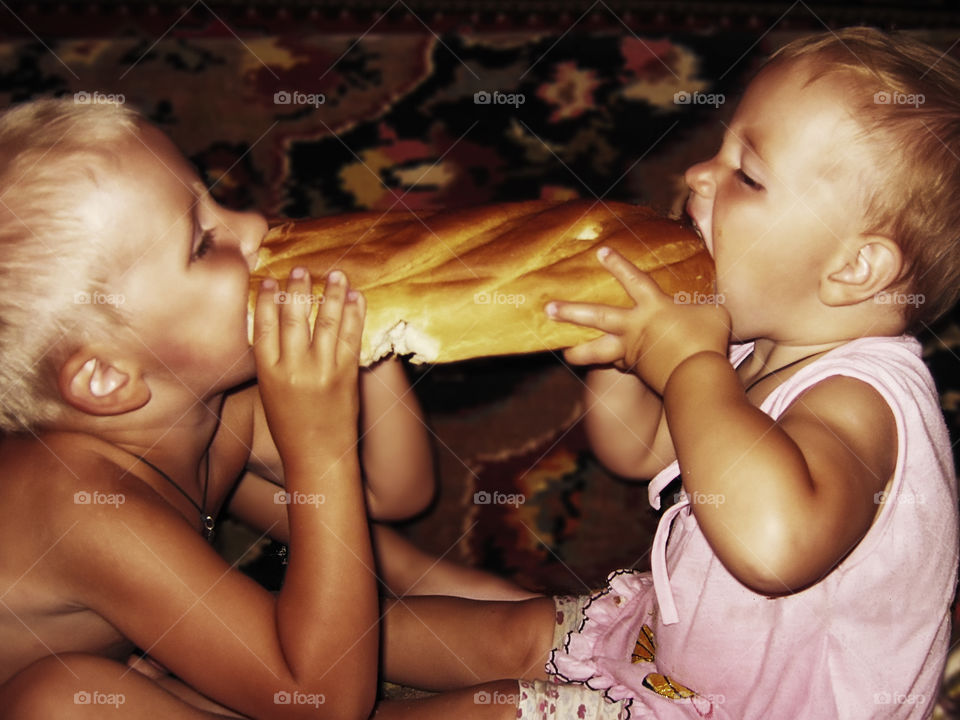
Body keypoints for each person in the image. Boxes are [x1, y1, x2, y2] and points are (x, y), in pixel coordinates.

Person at [374, 27, 960, 719]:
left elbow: (774, 548)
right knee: (515, 632)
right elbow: (637, 449)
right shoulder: (759, 345)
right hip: (681, 659)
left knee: (503, 707)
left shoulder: (864, 402)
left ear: (853, 269)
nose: (697, 175)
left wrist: (687, 363)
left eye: (747, 175)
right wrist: (630, 354)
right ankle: (287, 658)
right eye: (719, 148)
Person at [0, 97, 519, 719]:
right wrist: (318, 451)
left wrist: (364, 335)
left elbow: (395, 493)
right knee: (57, 698)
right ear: (108, 376)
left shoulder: (213, 409)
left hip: (134, 657)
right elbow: (319, 702)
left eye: (212, 196)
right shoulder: (82, 508)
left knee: (356, 586)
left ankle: (533, 636)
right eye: (200, 243)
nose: (250, 225)